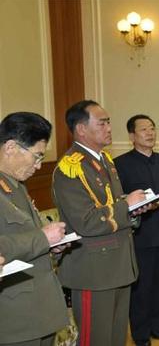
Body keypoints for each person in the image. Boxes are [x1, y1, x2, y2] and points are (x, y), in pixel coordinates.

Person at [53, 100, 149, 346]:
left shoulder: (104, 159)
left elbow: (110, 205)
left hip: (118, 264)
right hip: (93, 270)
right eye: (102, 122)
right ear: (81, 129)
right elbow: (85, 221)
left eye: (109, 122)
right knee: (95, 340)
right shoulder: (71, 167)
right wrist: (126, 206)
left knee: (116, 338)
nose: (109, 127)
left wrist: (134, 209)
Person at [0, 112, 69, 345]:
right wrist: (42, 237)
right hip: (15, 318)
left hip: (40, 310)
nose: (39, 166)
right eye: (37, 156)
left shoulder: (16, 186)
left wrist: (53, 247)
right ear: (10, 147)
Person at [114, 115, 159, 345]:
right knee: (142, 287)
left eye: (152, 128)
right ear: (132, 136)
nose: (150, 133)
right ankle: (140, 333)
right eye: (143, 130)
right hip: (141, 236)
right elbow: (118, 200)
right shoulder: (121, 164)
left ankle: (156, 326)